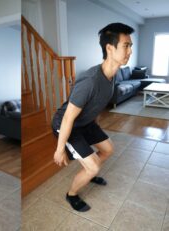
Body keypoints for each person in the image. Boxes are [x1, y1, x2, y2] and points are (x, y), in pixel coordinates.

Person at [52, 23, 134, 212]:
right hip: (67, 125)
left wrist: (94, 125)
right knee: (94, 167)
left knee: (108, 149)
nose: (129, 50)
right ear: (109, 48)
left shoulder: (112, 75)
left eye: (131, 46)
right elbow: (67, 119)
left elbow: (96, 105)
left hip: (85, 123)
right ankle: (71, 194)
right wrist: (59, 149)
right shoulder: (90, 81)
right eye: (126, 45)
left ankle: (89, 171)